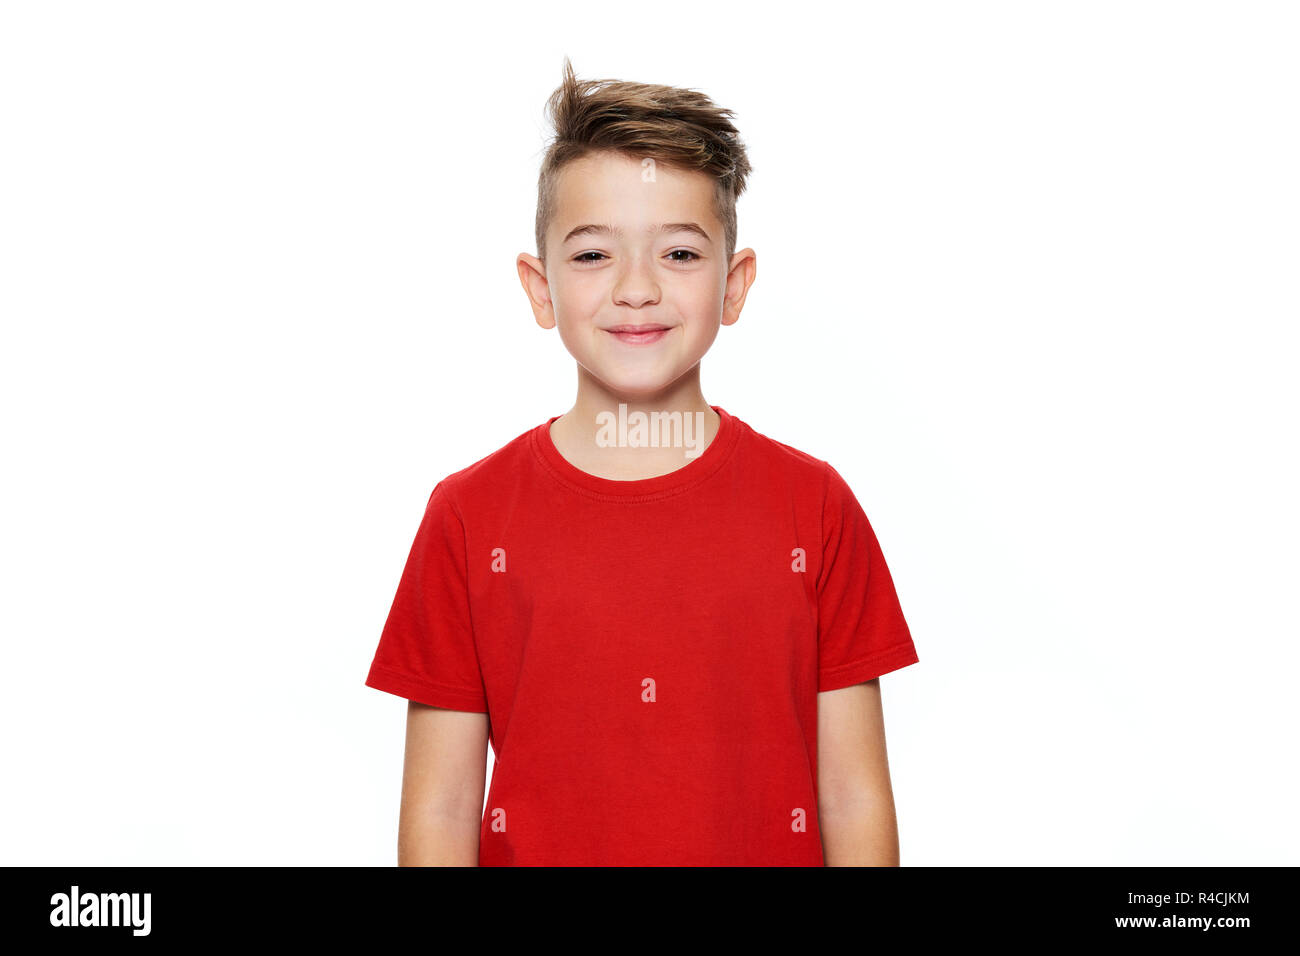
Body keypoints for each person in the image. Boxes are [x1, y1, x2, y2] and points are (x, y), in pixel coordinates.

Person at [364, 57, 919, 866]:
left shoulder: (816, 507)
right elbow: (442, 809)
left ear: (734, 286)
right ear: (540, 287)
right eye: (592, 255)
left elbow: (852, 796)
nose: (635, 289)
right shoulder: (468, 515)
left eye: (680, 255)